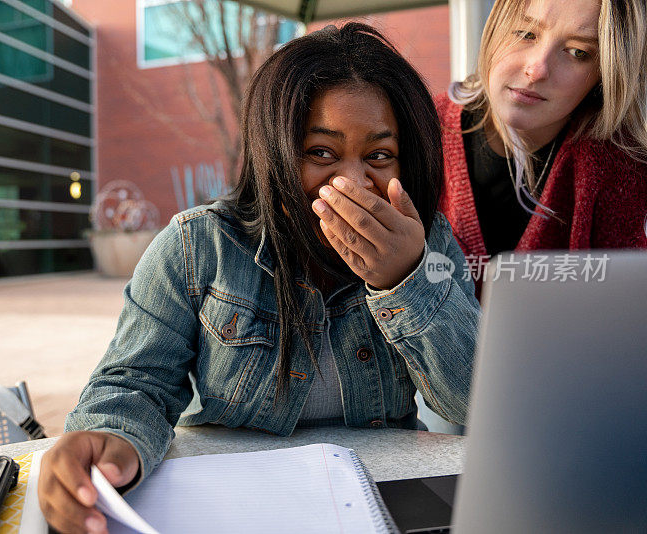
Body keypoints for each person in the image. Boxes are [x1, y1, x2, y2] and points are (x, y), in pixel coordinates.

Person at [38, 23, 480, 534]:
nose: (352, 183)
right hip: (234, 505)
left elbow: (471, 402)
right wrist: (109, 439)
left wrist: (404, 279)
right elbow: (135, 383)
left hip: (381, 501)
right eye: (321, 153)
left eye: (379, 156)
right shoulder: (198, 246)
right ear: (276, 152)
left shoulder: (426, 241)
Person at [437, 0, 647, 293]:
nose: (537, 70)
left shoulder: (622, 166)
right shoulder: (416, 129)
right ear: (497, 23)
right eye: (526, 33)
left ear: (605, 73)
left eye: (578, 52)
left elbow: (622, 318)